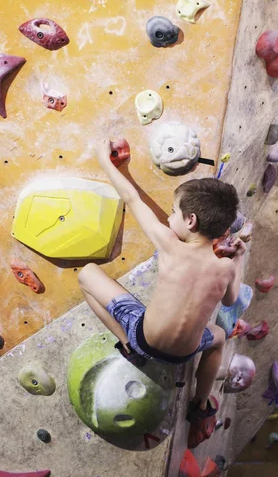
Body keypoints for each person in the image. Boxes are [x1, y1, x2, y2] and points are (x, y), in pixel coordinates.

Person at [78, 139, 245, 433]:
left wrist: (104, 161)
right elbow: (231, 302)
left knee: (88, 275)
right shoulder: (226, 267)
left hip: (144, 339)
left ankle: (129, 347)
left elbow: (131, 199)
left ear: (191, 221)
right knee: (218, 337)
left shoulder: (171, 245)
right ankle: (201, 404)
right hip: (184, 354)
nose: (168, 218)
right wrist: (239, 259)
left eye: (173, 212)